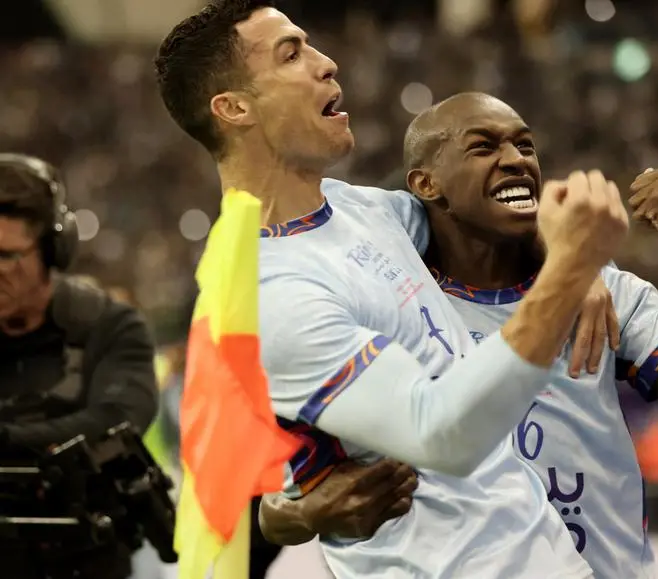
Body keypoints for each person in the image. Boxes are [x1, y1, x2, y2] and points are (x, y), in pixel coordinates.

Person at [154, 2, 627, 577]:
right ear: (234, 108)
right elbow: (440, 434)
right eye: (291, 54)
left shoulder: (364, 209)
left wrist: (557, 254)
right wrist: (569, 272)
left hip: (542, 553)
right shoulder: (273, 291)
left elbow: (483, 215)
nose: (326, 63)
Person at [259, 93, 658, 578]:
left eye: (524, 145)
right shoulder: (387, 300)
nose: (515, 159)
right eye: (483, 147)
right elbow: (275, 493)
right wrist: (299, 514)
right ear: (427, 184)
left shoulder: (608, 294)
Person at [0, 154, 160, 579]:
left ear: (54, 250)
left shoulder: (109, 327)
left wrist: (9, 438)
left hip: (83, 563)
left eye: (7, 256)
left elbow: (117, 421)